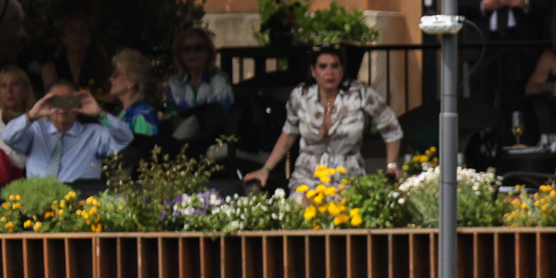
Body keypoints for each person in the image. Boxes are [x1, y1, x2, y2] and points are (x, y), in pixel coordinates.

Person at [246, 46, 402, 190]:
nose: (330, 72)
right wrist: (265, 169)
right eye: (323, 66)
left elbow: (391, 128)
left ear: (342, 70)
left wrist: (391, 167)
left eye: (335, 66)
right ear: (313, 71)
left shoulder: (359, 93)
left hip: (348, 178)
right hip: (307, 177)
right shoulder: (301, 95)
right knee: (303, 210)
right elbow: (289, 133)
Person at [2, 82, 133, 187]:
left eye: (68, 101)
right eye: (57, 101)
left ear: (77, 104)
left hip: (80, 205)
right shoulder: (36, 130)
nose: (62, 108)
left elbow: (125, 138)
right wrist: (31, 115)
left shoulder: (94, 134)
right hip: (37, 203)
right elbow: (7, 136)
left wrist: (99, 113)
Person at [164, 27, 234, 155]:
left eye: (199, 47)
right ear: (180, 55)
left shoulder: (219, 80)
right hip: (181, 139)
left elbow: (221, 117)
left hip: (212, 140)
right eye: (187, 49)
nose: (193, 53)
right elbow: (172, 114)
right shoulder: (175, 83)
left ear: (208, 53)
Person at [107, 49, 165, 163]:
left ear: (131, 81)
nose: (110, 78)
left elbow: (145, 154)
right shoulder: (118, 112)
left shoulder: (143, 114)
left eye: (116, 75)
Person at [37, 12, 111, 94]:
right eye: (72, 30)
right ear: (63, 38)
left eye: (83, 30)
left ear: (90, 38)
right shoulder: (50, 69)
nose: (78, 34)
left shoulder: (101, 67)